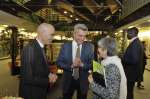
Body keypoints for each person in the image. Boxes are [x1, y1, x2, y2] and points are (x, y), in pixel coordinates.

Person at [19, 23, 58, 99]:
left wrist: (49, 74)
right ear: (42, 33)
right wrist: (48, 80)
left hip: (39, 91)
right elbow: (27, 78)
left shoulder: (40, 46)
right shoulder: (30, 49)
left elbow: (41, 68)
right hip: (31, 94)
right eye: (51, 34)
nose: (53, 37)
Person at [56, 23, 94, 99]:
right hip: (68, 81)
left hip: (83, 82)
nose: (83, 38)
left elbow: (92, 64)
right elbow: (59, 63)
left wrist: (82, 65)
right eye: (80, 35)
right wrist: (71, 66)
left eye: (84, 36)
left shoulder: (90, 47)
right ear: (74, 34)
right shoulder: (65, 46)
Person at [122, 27, 144, 99]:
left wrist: (123, 59)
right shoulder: (136, 42)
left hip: (131, 73)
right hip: (132, 72)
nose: (127, 35)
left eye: (128, 33)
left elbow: (134, 60)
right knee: (130, 91)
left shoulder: (135, 44)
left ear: (132, 33)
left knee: (129, 92)